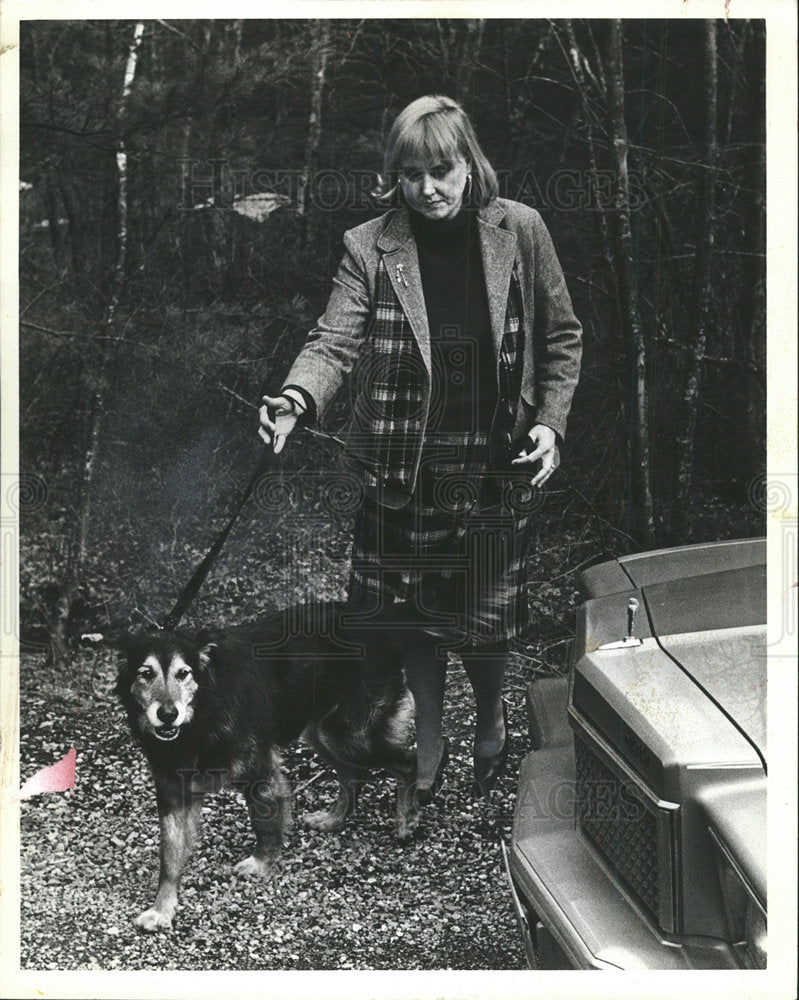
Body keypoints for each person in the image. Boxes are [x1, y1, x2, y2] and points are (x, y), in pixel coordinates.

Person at [259, 95, 581, 802]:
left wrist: (549, 423)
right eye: (411, 174)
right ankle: (429, 736)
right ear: (393, 177)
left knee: (484, 617)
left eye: (441, 170)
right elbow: (333, 341)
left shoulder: (519, 230)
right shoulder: (368, 245)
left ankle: (491, 713)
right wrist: (295, 398)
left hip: (495, 462)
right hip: (401, 466)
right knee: (408, 617)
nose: (427, 189)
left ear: (469, 164)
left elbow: (561, 335)